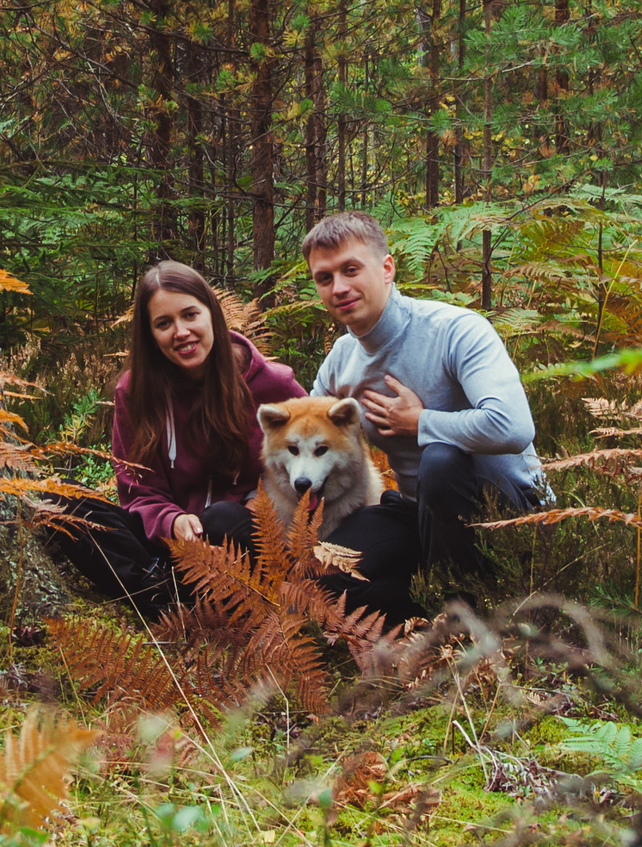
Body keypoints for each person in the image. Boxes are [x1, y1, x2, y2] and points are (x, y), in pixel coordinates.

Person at [58, 260, 416, 625]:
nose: (181, 331)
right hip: (168, 540)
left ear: (211, 314)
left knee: (223, 518)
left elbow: (307, 452)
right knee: (63, 501)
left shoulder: (270, 385)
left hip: (245, 537)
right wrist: (172, 520)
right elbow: (137, 491)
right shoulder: (135, 393)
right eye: (164, 324)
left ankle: (199, 599)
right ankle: (160, 590)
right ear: (150, 335)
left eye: (190, 315)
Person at [304, 211, 546, 589]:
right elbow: (302, 434)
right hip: (419, 516)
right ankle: (433, 605)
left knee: (441, 458)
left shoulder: (456, 331)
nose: (338, 287)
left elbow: (513, 427)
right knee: (326, 576)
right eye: (325, 278)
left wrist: (420, 422)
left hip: (512, 513)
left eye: (351, 269)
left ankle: (467, 616)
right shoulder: (341, 359)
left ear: (386, 269)